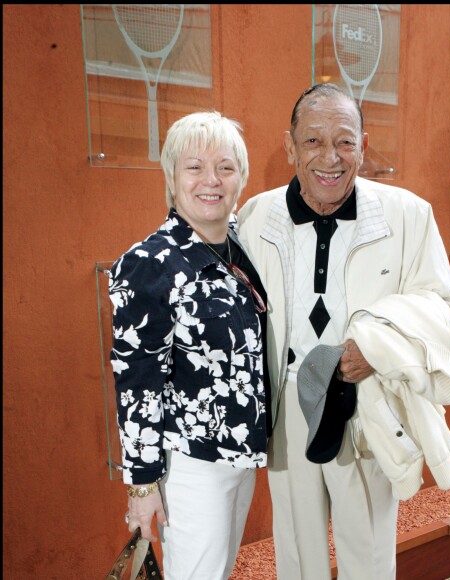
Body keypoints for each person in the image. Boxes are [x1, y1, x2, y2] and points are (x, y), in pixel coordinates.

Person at [236, 83, 450, 580]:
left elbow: (437, 304)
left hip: (366, 401)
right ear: (289, 147)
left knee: (369, 544)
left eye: (344, 141)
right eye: (313, 141)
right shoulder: (254, 218)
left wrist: (379, 349)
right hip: (287, 405)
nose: (330, 157)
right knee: (295, 545)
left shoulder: (408, 216)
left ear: (363, 144)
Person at [108, 111, 269, 580]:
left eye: (225, 166)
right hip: (192, 465)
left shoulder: (237, 247)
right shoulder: (149, 263)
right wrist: (142, 486)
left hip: (240, 456)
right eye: (194, 167)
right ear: (172, 177)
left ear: (241, 178)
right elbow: (137, 385)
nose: (211, 180)